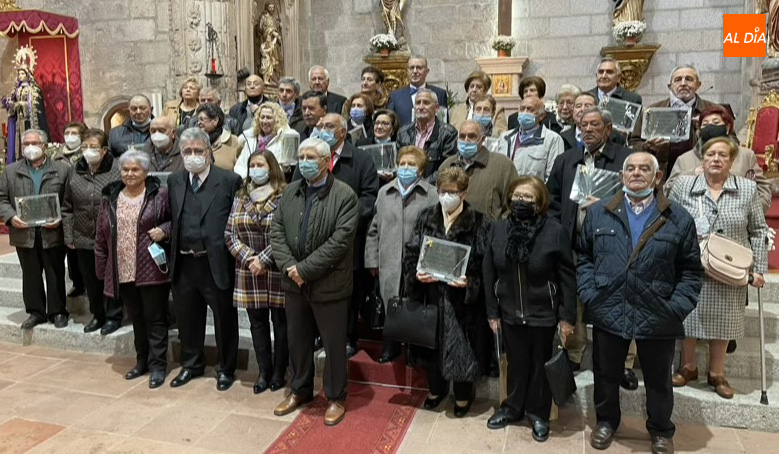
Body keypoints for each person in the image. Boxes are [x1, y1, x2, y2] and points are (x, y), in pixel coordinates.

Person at [578, 151, 703, 454]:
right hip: (609, 306)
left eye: (644, 168)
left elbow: (690, 271)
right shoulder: (599, 213)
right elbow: (584, 258)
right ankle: (607, 422)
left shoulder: (677, 217)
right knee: (606, 373)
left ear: (657, 177)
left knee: (659, 379)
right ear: (622, 176)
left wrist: (674, 308)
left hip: (657, 311)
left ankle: (660, 430)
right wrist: (591, 295)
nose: (636, 173)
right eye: (630, 168)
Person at [669, 137, 768, 400]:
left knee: (725, 320)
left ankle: (717, 373)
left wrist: (758, 268)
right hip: (690, 264)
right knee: (687, 316)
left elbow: (758, 231)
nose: (716, 159)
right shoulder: (683, 185)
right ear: (702, 157)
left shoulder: (746, 189)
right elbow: (668, 221)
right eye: (711, 154)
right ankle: (688, 366)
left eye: (723, 155)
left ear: (732, 161)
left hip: (730, 267)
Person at [270, 137, 359, 426]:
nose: (305, 162)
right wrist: (290, 267)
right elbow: (277, 232)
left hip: (329, 283)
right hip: (294, 283)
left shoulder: (344, 195)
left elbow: (340, 242)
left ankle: (335, 397)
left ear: (326, 161)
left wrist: (305, 269)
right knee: (297, 341)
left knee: (333, 345)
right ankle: (300, 390)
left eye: (311, 157)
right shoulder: (291, 192)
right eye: (301, 157)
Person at [483, 176, 576, 441]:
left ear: (540, 202)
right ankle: (512, 409)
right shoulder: (499, 229)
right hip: (509, 312)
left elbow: (568, 277)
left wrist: (567, 317)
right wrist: (492, 312)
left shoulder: (554, 231)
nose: (521, 202)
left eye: (528, 198)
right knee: (516, 364)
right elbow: (488, 270)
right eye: (517, 196)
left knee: (539, 366)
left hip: (543, 314)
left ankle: (538, 414)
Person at [546, 107, 632, 374]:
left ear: (608, 129)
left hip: (613, 245)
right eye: (583, 125)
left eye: (595, 125)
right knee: (573, 300)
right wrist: (561, 229)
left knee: (618, 300)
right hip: (574, 243)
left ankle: (624, 362)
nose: (588, 130)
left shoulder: (626, 159)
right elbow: (552, 201)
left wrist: (608, 205)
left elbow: (638, 197)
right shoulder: (566, 159)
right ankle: (573, 354)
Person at [403, 167, 491, 418]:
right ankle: (436, 390)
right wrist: (415, 276)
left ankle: (463, 395)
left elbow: (486, 265)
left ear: (463, 193)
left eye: (453, 192)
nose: (447, 196)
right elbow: (411, 252)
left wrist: (470, 283)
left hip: (462, 302)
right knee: (432, 346)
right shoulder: (425, 216)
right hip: (431, 295)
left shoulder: (481, 222)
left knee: (463, 348)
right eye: (443, 191)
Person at [294, 113, 379, 357]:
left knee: (347, 295)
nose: (321, 129)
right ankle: (320, 335)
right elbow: (297, 193)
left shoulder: (361, 159)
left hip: (347, 240)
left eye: (328, 126)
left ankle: (348, 338)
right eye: (319, 126)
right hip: (312, 241)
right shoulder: (308, 158)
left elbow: (369, 198)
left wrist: (342, 222)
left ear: (342, 132)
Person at [167, 127, 242, 391]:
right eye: (187, 151)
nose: (193, 156)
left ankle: (225, 368)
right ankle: (191, 364)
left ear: (209, 152)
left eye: (198, 151)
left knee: (224, 318)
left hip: (215, 262)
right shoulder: (175, 181)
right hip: (185, 262)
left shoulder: (230, 180)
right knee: (188, 319)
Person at [94, 149, 172, 389]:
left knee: (155, 318)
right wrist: (102, 269)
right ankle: (142, 362)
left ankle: (158, 365)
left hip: (151, 268)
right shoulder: (110, 198)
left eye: (135, 169)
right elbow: (100, 236)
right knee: (136, 318)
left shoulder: (160, 194)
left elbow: (174, 221)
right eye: (126, 169)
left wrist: (165, 231)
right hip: (122, 268)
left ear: (146, 171)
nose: (129, 173)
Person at [365, 146, 439, 362]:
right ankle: (391, 347)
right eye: (403, 163)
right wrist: (372, 260)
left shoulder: (431, 194)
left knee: (414, 304)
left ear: (421, 169)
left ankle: (413, 351)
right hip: (388, 260)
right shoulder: (384, 192)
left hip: (417, 262)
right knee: (391, 303)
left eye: (411, 164)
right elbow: (373, 230)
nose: (405, 168)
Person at [226, 149, 288, 394]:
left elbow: (285, 234)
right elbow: (229, 234)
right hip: (248, 270)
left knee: (281, 324)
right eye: (252, 165)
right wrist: (249, 258)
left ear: (271, 167)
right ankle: (264, 370)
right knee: (257, 324)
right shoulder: (241, 196)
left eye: (260, 164)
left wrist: (264, 259)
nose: (255, 169)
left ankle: (280, 371)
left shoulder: (284, 195)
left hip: (275, 268)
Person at [0, 129, 70, 329]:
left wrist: (59, 219)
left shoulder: (61, 169)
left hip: (52, 231)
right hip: (24, 232)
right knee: (30, 274)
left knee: (54, 273)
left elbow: (68, 200)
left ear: (45, 146)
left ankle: (57, 312)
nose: (30, 147)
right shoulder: (11, 171)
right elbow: (1, 198)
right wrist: (11, 217)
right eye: (26, 144)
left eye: (34, 143)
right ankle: (36, 312)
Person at [62, 128, 123, 335]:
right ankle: (98, 315)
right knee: (91, 280)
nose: (88, 151)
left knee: (111, 277)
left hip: (110, 236)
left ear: (104, 150)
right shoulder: (74, 170)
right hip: (83, 235)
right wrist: (69, 235)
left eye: (94, 147)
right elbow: (67, 206)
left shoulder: (118, 169)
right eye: (85, 147)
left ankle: (114, 316)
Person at [665, 105, 771, 213]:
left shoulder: (746, 155)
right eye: (705, 124)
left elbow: (763, 188)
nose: (710, 126)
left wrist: (753, 212)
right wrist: (691, 173)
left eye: (716, 123)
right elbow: (667, 191)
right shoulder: (684, 159)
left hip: (736, 222)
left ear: (727, 127)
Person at [634, 65, 718, 175]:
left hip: (701, 172)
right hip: (662, 174)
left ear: (698, 85)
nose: (683, 83)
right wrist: (647, 146)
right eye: (678, 80)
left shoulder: (713, 111)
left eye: (689, 79)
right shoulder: (652, 111)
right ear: (670, 86)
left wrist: (706, 131)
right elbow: (634, 143)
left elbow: (732, 142)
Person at [437, 120, 517, 220]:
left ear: (482, 139)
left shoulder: (503, 165)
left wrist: (498, 230)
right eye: (462, 136)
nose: (466, 140)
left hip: (487, 232)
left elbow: (511, 205)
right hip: (453, 230)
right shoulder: (447, 164)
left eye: (471, 136)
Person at [52, 121, 87, 299]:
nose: (70, 136)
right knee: (71, 251)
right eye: (67, 132)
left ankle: (90, 283)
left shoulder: (88, 153)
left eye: (74, 133)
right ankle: (78, 283)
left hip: (81, 206)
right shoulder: (56, 156)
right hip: (61, 206)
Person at [498, 96, 564, 181]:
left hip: (535, 192)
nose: (525, 113)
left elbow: (553, 178)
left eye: (530, 110)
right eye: (522, 109)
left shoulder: (553, 139)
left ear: (542, 116)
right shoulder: (505, 137)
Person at [396, 89, 458, 178]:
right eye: (417, 103)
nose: (421, 107)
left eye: (426, 103)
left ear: (436, 108)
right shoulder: (403, 132)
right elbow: (398, 163)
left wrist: (424, 186)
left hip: (434, 188)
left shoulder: (448, 133)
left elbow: (447, 168)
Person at [235, 102, 299, 178]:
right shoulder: (251, 140)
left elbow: (287, 168)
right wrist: (247, 178)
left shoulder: (284, 139)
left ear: (277, 119)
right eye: (262, 117)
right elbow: (240, 165)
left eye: (268, 117)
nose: (264, 121)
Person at [388, 56, 448, 126]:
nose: (415, 71)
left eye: (419, 68)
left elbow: (444, 123)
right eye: (411, 68)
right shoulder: (395, 96)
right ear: (407, 71)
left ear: (427, 71)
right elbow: (390, 122)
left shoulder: (439, 94)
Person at [558, 92, 627, 152]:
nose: (582, 109)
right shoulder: (562, 137)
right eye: (578, 106)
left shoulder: (614, 135)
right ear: (573, 110)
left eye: (588, 106)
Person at [449, 71, 508, 136]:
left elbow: (503, 135)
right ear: (467, 89)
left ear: (485, 90)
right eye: (471, 86)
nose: (474, 90)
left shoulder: (497, 110)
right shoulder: (456, 110)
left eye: (478, 87)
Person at [196, 103, 243, 172]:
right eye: (198, 120)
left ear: (215, 120)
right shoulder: (195, 142)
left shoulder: (233, 141)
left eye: (202, 119)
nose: (199, 123)